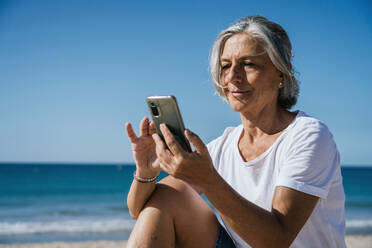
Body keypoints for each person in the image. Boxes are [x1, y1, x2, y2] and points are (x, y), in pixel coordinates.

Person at [125, 15, 346, 248]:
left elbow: (277, 241)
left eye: (248, 64)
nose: (232, 77)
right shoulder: (224, 145)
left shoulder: (309, 135)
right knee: (165, 198)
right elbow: (138, 209)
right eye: (225, 66)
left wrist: (208, 180)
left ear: (282, 73)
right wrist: (145, 172)